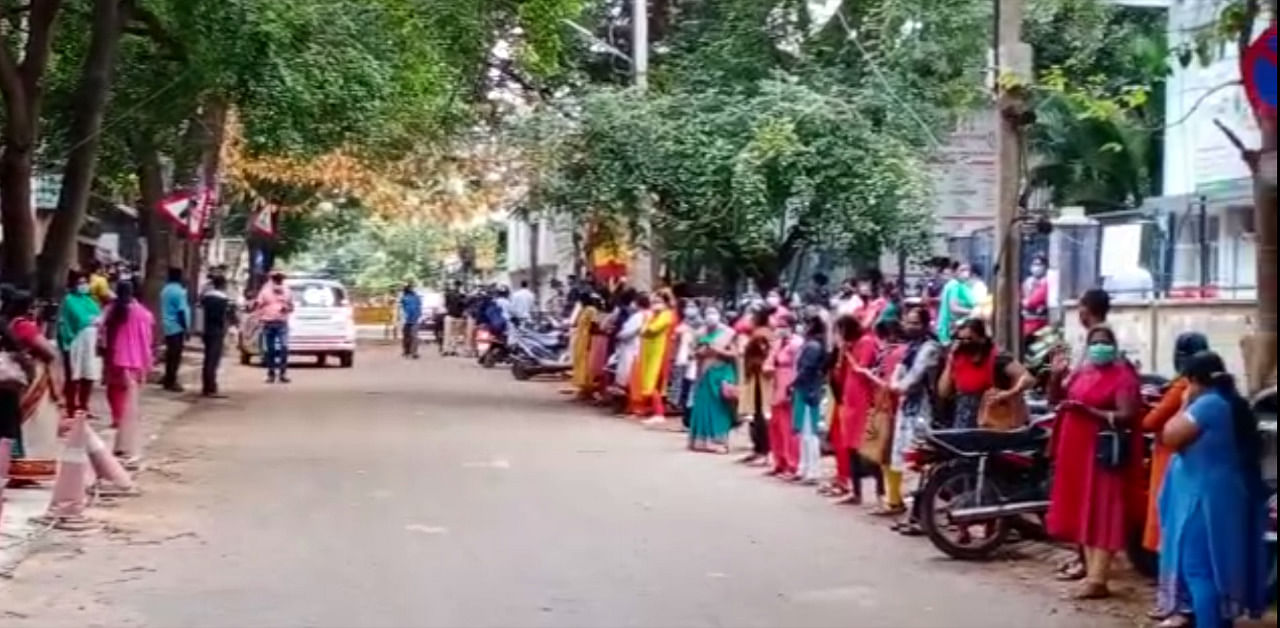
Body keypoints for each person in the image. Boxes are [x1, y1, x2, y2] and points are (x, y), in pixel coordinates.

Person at [1154, 350, 1267, 628]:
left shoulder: (1208, 405)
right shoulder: (1230, 402)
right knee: (1214, 570)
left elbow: (1170, 435)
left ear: (1194, 379)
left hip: (1204, 501)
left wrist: (1183, 404)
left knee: (1199, 571)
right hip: (1221, 494)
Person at [1046, 324, 1141, 599]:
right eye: (1095, 342)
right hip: (1076, 450)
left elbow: (1127, 414)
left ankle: (1098, 578)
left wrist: (1089, 411)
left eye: (1104, 342)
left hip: (1103, 452)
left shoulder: (1123, 377)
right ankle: (1092, 576)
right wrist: (1055, 377)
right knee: (1082, 509)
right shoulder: (1082, 372)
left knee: (1103, 509)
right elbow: (1058, 400)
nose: (1100, 347)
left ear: (1113, 346)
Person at [887, 306, 943, 534]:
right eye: (908, 322)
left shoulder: (930, 348)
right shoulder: (912, 347)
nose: (910, 327)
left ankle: (922, 517)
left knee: (918, 462)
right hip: (908, 408)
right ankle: (912, 515)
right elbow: (899, 372)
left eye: (915, 323)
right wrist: (896, 384)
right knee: (907, 461)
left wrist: (897, 387)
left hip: (923, 410)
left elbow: (913, 377)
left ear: (926, 324)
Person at [4, 291, 63, 486]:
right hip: (34, 378)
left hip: (17, 378)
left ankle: (18, 470)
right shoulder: (24, 326)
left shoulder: (9, 324)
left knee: (19, 425)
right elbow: (49, 352)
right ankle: (25, 470)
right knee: (36, 426)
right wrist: (57, 384)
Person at [938, 318, 1034, 430]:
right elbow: (943, 392)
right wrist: (950, 363)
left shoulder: (998, 358)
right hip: (964, 419)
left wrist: (1009, 393)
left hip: (995, 419)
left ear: (982, 339)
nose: (965, 343)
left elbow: (1028, 379)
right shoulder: (957, 358)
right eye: (961, 339)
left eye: (969, 339)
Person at [100, 281, 154, 467]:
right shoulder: (143, 313)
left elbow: (100, 326)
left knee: (114, 394)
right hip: (135, 360)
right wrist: (148, 362)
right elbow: (147, 338)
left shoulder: (113, 309)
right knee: (130, 403)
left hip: (116, 358)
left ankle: (119, 437)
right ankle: (127, 443)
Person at [687, 307, 737, 453]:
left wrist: (718, 350)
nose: (710, 316)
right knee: (703, 406)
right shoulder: (699, 333)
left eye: (713, 313)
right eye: (707, 313)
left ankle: (719, 441)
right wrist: (699, 352)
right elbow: (691, 353)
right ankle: (701, 441)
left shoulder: (728, 333)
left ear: (719, 315)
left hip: (722, 372)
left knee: (719, 407)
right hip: (704, 373)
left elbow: (735, 353)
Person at [57, 271, 102, 417]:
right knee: (73, 376)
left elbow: (99, 315)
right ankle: (71, 407)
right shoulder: (69, 300)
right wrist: (92, 320)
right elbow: (80, 318)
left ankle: (84, 406)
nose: (84, 286)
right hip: (75, 342)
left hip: (90, 343)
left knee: (88, 374)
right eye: (80, 283)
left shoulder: (89, 300)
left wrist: (95, 320)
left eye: (85, 282)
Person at [790, 315, 828, 484]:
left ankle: (812, 470)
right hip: (809, 389)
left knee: (809, 433)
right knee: (806, 433)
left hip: (808, 392)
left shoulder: (812, 346)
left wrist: (793, 384)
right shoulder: (816, 344)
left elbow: (806, 369)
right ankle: (805, 467)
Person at [764, 312, 802, 478]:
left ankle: (792, 464)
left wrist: (792, 387)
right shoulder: (777, 343)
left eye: (783, 326)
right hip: (776, 382)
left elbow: (798, 367)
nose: (780, 329)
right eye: (778, 326)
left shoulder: (797, 343)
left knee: (788, 427)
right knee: (775, 425)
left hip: (789, 382)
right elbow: (769, 361)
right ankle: (778, 461)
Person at [631, 290, 679, 419]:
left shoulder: (666, 314)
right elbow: (643, 330)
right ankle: (651, 410)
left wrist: (646, 327)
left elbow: (651, 329)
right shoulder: (655, 315)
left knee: (654, 381)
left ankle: (659, 413)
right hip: (649, 350)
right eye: (653, 302)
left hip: (660, 351)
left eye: (658, 302)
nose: (654, 305)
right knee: (648, 380)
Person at [199, 275, 237, 397]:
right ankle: (211, 388)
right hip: (217, 331)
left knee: (207, 359)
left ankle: (206, 386)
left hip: (206, 330)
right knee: (213, 360)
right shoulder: (224, 300)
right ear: (223, 285)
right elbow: (230, 318)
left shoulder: (205, 298)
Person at [255, 271, 294, 384]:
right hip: (268, 323)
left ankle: (282, 373)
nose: (278, 281)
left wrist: (286, 308)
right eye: (276, 279)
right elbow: (258, 306)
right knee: (270, 350)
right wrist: (260, 319)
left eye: (280, 279)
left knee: (284, 347)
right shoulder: (265, 292)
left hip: (282, 323)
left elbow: (292, 306)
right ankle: (271, 374)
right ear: (272, 279)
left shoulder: (287, 292)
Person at [160, 267, 191, 392]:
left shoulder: (165, 290)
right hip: (177, 326)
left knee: (170, 354)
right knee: (175, 355)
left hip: (167, 325)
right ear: (179, 277)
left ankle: (167, 377)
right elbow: (181, 311)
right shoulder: (179, 292)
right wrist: (186, 328)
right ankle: (171, 381)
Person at [613, 293, 648, 396]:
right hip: (640, 346)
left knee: (627, 373)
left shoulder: (638, 316)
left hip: (631, 346)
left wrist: (619, 335)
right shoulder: (649, 314)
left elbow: (628, 331)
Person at [935, 262, 975, 343]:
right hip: (951, 328)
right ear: (955, 272)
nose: (966, 272)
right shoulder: (955, 285)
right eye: (962, 270)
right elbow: (954, 308)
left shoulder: (954, 285)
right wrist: (973, 312)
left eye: (968, 270)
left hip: (947, 326)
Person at [569, 292, 599, 397]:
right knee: (580, 362)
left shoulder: (591, 310)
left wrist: (591, 339)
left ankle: (588, 389)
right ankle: (582, 388)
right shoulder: (583, 310)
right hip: (581, 338)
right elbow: (575, 323)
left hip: (587, 339)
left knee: (586, 364)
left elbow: (594, 325)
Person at [1021, 254, 1050, 342]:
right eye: (1034, 264)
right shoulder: (1027, 281)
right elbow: (1019, 298)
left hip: (1040, 323)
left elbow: (1034, 300)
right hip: (1026, 322)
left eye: (1039, 264)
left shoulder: (1046, 281)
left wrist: (1027, 303)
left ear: (1045, 267)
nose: (1036, 267)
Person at [442, 281, 468, 357]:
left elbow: (446, 304)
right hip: (454, 316)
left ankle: (450, 350)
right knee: (451, 334)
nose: (457, 287)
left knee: (452, 334)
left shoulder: (451, 294)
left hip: (453, 316)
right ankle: (449, 349)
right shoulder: (458, 294)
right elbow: (464, 304)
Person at [398, 282, 423, 359]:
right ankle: (410, 352)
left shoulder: (411, 297)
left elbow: (418, 307)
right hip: (409, 319)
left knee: (409, 336)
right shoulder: (406, 297)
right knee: (410, 336)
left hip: (410, 319)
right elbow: (419, 307)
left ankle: (410, 352)